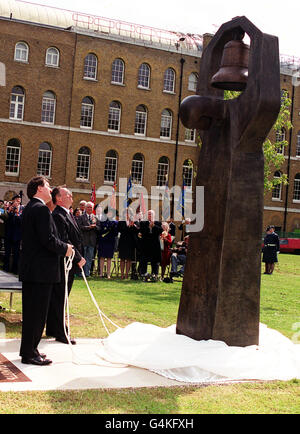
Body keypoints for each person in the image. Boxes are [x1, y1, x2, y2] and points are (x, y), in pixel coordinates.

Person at [19, 176, 73, 366]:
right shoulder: (40, 209)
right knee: (36, 314)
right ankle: (29, 353)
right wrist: (65, 248)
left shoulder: (30, 208)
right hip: (40, 271)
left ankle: (30, 349)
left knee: (33, 313)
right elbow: (47, 239)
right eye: (48, 185)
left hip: (34, 270)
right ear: (39, 188)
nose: (51, 189)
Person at [46, 186, 86, 345]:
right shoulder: (57, 215)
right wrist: (78, 257)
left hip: (69, 263)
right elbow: (64, 239)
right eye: (67, 194)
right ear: (59, 198)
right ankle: (60, 331)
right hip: (63, 263)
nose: (71, 196)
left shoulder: (67, 214)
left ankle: (52, 328)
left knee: (61, 296)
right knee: (60, 297)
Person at [138, 210, 163, 281]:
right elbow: (142, 232)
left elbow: (160, 231)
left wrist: (154, 226)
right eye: (148, 214)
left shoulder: (158, 223)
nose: (149, 216)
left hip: (155, 245)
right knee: (144, 260)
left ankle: (154, 274)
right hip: (146, 245)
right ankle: (143, 274)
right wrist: (149, 227)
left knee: (155, 261)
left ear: (154, 215)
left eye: (151, 214)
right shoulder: (143, 223)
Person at [2, 194, 24, 274]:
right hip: (8, 234)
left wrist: (17, 213)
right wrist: (9, 211)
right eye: (17, 200)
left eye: (19, 200)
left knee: (16, 254)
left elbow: (22, 221)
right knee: (7, 253)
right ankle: (6, 268)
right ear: (13, 200)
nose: (18, 201)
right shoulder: (8, 208)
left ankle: (15, 269)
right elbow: (5, 219)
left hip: (17, 235)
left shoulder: (22, 208)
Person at [78, 201, 99, 277]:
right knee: (82, 257)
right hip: (84, 240)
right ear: (85, 208)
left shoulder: (95, 217)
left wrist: (95, 227)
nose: (89, 208)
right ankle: (81, 272)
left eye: (91, 207)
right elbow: (79, 227)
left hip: (92, 241)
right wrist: (88, 227)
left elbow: (99, 228)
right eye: (88, 207)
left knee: (89, 258)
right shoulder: (81, 217)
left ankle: (87, 273)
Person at [98, 211, 118, 278]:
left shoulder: (115, 222)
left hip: (111, 241)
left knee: (109, 257)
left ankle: (108, 274)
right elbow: (100, 230)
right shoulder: (102, 221)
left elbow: (116, 233)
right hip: (103, 241)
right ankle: (101, 273)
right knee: (102, 257)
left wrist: (113, 228)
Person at [118, 210, 138, 279]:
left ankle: (126, 274)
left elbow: (137, 230)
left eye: (129, 213)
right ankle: (122, 274)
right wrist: (127, 226)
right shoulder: (121, 221)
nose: (127, 214)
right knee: (122, 259)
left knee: (129, 259)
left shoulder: (134, 221)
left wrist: (133, 226)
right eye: (126, 213)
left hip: (130, 243)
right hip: (123, 242)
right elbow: (120, 229)